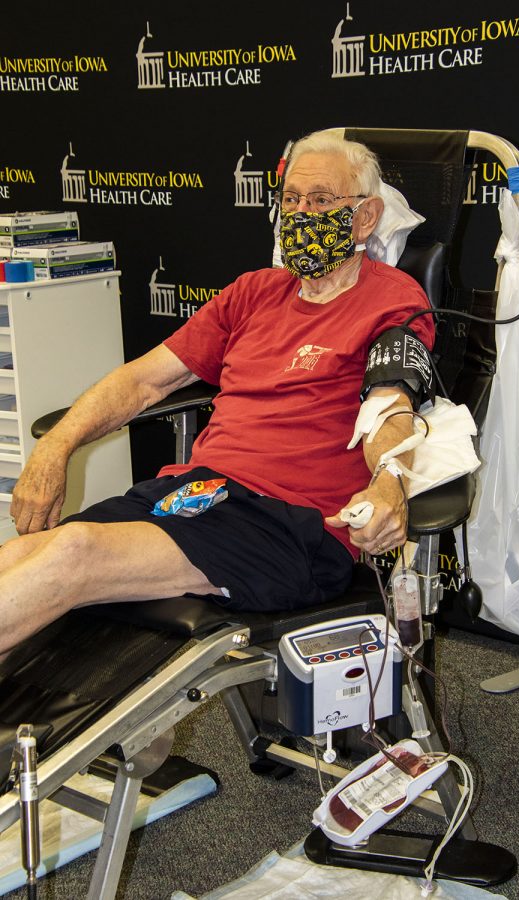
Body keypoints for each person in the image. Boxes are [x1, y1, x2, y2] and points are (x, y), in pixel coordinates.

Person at [0, 129, 434, 658]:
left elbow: (392, 403)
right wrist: (55, 446)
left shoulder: (391, 299)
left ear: (365, 217)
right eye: (291, 200)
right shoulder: (254, 292)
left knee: (72, 552)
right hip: (197, 495)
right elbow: (142, 380)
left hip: (289, 526)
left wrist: (389, 480)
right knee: (20, 555)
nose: (301, 213)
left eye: (321, 200)